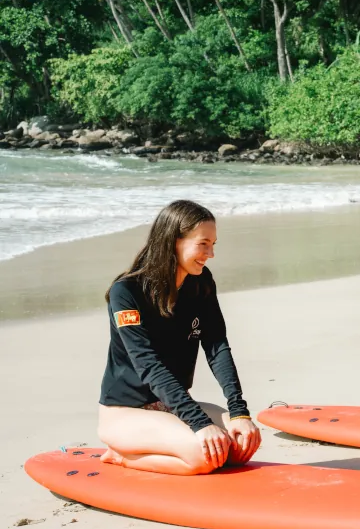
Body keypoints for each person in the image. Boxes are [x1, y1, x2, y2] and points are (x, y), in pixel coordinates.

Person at [97, 200, 261, 475]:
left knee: (239, 446)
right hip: (125, 412)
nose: (210, 254)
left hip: (172, 404)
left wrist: (239, 411)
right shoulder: (126, 293)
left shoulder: (200, 283)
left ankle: (177, 437)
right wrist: (199, 422)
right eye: (203, 244)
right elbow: (147, 365)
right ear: (174, 241)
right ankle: (120, 455)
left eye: (213, 245)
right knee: (204, 457)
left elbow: (217, 347)